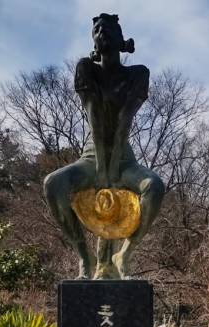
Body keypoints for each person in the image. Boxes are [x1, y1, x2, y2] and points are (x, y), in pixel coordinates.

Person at [43, 13, 166, 279]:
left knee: (155, 187)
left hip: (124, 160)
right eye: (97, 30)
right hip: (90, 158)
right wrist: (100, 171)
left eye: (109, 28)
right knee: (53, 183)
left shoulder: (138, 73)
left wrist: (111, 172)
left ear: (123, 41)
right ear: (94, 44)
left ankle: (125, 254)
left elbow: (125, 119)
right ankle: (84, 257)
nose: (102, 33)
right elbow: (95, 117)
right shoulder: (86, 68)